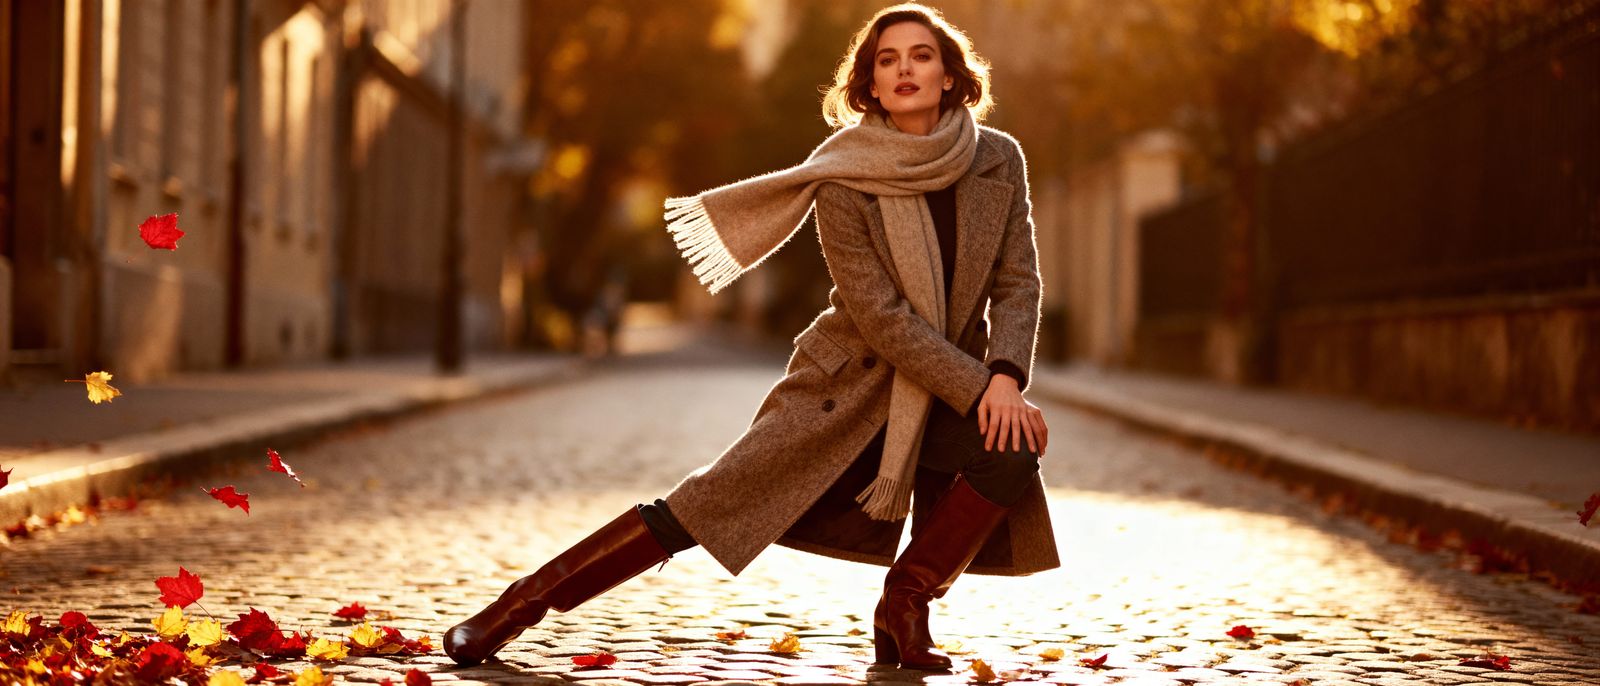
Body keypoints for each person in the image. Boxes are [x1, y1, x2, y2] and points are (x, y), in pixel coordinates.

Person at [444, 3, 1057, 671]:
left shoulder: (998, 160)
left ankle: (905, 602)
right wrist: (981, 388)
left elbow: (1018, 281)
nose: (904, 68)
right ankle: (518, 606)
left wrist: (1004, 378)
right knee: (702, 507)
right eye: (887, 59)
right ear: (871, 86)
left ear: (949, 76)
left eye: (921, 55)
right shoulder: (843, 171)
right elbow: (882, 319)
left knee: (1013, 447)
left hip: (945, 387)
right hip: (846, 385)